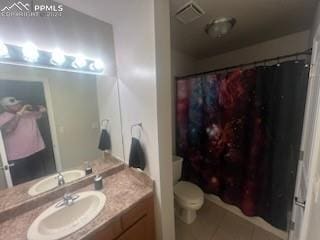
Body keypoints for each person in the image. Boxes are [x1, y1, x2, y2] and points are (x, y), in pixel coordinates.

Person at [0, 97, 47, 185]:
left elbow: (43, 115)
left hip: (36, 151)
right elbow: (8, 129)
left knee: (40, 180)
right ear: (6, 107)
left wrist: (42, 110)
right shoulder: (2, 117)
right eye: (14, 105)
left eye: (18, 103)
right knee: (24, 184)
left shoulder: (28, 113)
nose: (18, 105)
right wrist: (19, 114)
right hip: (18, 158)